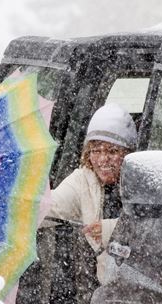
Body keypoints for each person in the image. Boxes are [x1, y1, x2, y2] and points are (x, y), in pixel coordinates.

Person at [48, 103, 137, 284]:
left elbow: (157, 229)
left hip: (140, 286)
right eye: (96, 151)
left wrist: (112, 230)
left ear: (128, 153)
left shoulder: (142, 180)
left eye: (112, 151)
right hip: (106, 286)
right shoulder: (83, 180)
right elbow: (48, 208)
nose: (103, 160)